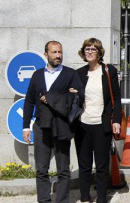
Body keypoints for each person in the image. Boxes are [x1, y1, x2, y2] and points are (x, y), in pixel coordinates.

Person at [22, 41, 85, 203]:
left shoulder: (70, 74)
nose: (58, 55)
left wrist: (60, 97)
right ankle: (43, 200)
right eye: (54, 52)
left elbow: (80, 97)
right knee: (41, 169)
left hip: (62, 126)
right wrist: (25, 127)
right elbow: (29, 101)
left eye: (60, 52)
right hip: (41, 126)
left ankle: (62, 201)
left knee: (63, 169)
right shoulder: (37, 75)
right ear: (46, 55)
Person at [75, 38, 122, 203]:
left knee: (102, 166)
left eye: (93, 49)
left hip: (101, 125)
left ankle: (102, 199)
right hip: (82, 124)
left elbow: (116, 97)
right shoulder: (79, 73)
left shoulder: (109, 71)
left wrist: (116, 120)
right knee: (84, 165)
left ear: (99, 52)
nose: (89, 52)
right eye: (87, 49)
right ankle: (85, 198)